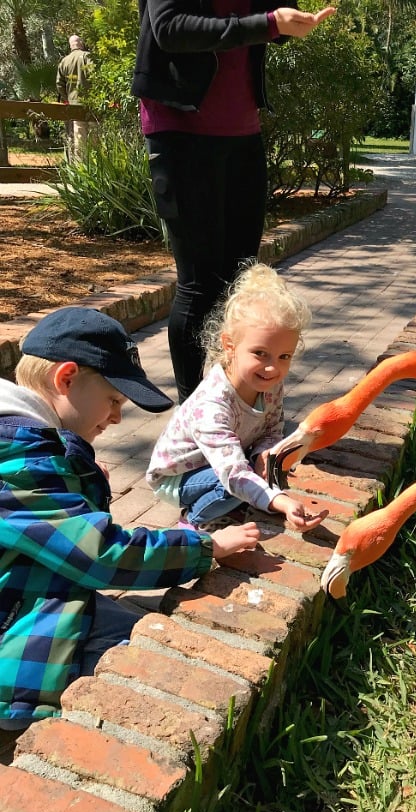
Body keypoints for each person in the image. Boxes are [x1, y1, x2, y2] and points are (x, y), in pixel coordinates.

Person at [0, 307, 259, 734]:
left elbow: (58, 536)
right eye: (113, 400)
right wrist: (208, 547)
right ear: (65, 379)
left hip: (23, 596)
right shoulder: (21, 457)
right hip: (14, 647)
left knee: (139, 629)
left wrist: (79, 476)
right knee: (154, 656)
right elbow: (102, 555)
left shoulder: (27, 443)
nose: (117, 417)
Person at [131, 0, 336, 404]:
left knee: (240, 279)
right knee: (200, 283)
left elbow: (270, 18)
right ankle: (194, 421)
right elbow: (170, 28)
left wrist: (285, 21)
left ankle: (235, 406)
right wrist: (269, 24)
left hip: (243, 131)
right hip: (181, 130)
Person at [146, 263, 328, 533]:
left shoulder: (270, 383)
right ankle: (193, 521)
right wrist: (280, 500)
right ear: (230, 345)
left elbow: (272, 427)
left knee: (255, 473)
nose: (272, 368)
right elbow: (232, 472)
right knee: (232, 486)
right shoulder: (212, 405)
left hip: (218, 459)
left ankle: (240, 498)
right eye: (260, 353)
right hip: (177, 477)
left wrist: (263, 454)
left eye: (284, 357)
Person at [56, 34, 93, 157]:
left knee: (79, 137)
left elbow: (59, 84)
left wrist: (68, 98)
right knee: (94, 137)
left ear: (70, 45)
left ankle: (80, 167)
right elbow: (96, 76)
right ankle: (96, 165)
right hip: (91, 103)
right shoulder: (87, 57)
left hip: (74, 104)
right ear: (81, 43)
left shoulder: (64, 61)